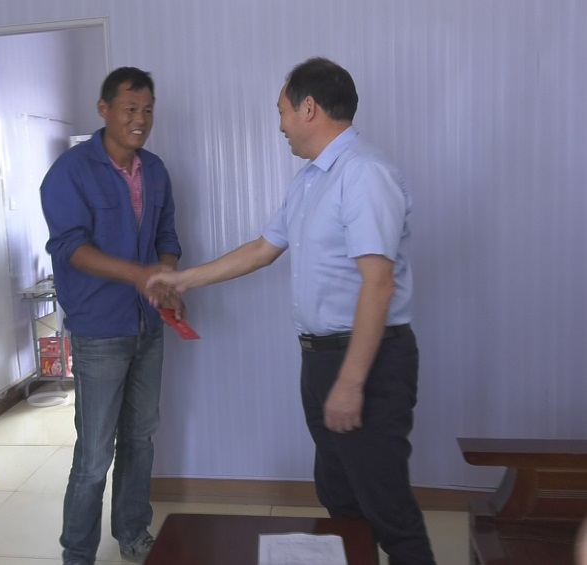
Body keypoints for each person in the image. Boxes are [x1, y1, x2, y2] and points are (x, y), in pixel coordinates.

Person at [147, 57, 436, 564]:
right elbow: (264, 249)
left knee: (387, 507)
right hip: (321, 358)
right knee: (340, 496)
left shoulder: (364, 173)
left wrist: (351, 382)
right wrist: (182, 278)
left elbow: (378, 283)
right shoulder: (310, 180)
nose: (280, 124)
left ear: (309, 108)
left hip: (366, 362)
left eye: (281, 110)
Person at [40, 66, 183, 564]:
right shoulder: (70, 171)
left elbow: (167, 238)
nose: (140, 119)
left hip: (148, 325)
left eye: (147, 110)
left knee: (140, 438)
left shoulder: (156, 170)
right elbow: (70, 248)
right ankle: (77, 553)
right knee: (95, 453)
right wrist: (139, 275)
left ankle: (133, 533)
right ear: (103, 110)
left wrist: (166, 279)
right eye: (129, 109)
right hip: (99, 330)